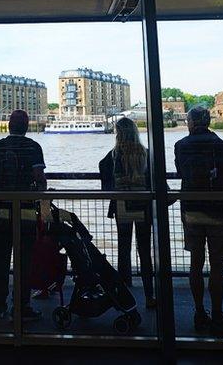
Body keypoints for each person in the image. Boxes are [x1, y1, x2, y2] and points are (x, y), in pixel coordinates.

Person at [174, 106, 223, 337]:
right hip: (217, 210)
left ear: (192, 123)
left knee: (195, 262)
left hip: (191, 208)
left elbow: (181, 173)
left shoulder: (180, 146)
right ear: (209, 120)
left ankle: (199, 311)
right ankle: (218, 313)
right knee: (217, 264)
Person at [0, 110, 46, 321]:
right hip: (26, 213)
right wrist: (42, 205)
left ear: (8, 126)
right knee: (24, 262)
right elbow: (40, 180)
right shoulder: (34, 148)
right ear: (27, 126)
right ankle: (22, 305)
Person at [99, 117, 157, 309]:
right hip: (143, 204)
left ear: (118, 133)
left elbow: (104, 173)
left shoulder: (114, 155)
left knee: (124, 249)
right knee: (145, 250)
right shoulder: (145, 154)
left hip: (122, 205)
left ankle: (123, 293)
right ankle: (150, 295)